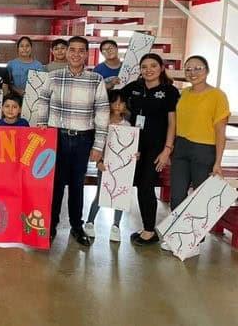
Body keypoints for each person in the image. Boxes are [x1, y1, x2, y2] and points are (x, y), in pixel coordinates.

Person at [36, 36, 109, 246]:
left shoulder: (96, 80)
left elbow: (102, 113)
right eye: (72, 50)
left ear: (86, 54)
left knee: (77, 185)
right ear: (66, 53)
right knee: (55, 184)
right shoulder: (54, 76)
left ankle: (77, 226)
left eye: (81, 50)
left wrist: (98, 145)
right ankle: (50, 226)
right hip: (56, 136)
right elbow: (43, 100)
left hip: (83, 139)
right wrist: (42, 125)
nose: (76, 54)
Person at [166, 56, 229, 251]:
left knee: (199, 198)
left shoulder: (217, 95)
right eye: (188, 69)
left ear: (207, 70)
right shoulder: (183, 94)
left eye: (197, 68)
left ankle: (192, 241)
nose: (193, 73)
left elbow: (220, 132)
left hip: (204, 150)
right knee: (177, 195)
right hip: (182, 147)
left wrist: (218, 162)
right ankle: (178, 235)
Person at [121, 53, 179, 246]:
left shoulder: (169, 91)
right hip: (135, 144)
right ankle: (147, 227)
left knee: (147, 185)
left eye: (153, 66)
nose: (148, 70)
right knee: (140, 186)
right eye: (144, 66)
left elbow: (172, 122)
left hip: (157, 146)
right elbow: (115, 98)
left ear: (161, 68)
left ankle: (149, 231)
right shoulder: (135, 88)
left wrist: (167, 150)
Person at [84, 90, 132, 242]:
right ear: (109, 104)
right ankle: (90, 222)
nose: (118, 105)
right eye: (115, 102)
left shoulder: (127, 124)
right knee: (100, 195)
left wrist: (134, 154)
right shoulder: (102, 122)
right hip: (104, 165)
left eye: (122, 102)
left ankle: (116, 226)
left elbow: (130, 146)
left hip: (122, 167)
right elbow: (96, 145)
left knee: (120, 196)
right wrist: (98, 162)